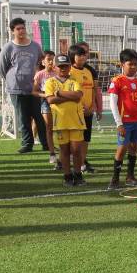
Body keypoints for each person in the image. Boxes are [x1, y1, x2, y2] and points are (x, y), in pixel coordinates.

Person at [0, 18, 46, 153]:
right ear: (12, 31)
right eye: (18, 29)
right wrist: (12, 80)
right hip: (16, 88)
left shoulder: (35, 46)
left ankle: (46, 143)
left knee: (38, 116)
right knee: (23, 117)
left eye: (23, 28)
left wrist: (37, 80)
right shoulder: (8, 47)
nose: (21, 31)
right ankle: (27, 144)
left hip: (34, 88)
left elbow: (40, 63)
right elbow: (2, 68)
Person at [44, 54, 87, 187]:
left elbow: (78, 96)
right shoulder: (50, 82)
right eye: (60, 66)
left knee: (76, 150)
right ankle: (67, 176)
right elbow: (50, 99)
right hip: (60, 122)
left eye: (66, 66)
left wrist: (59, 93)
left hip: (76, 121)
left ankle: (78, 174)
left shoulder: (74, 81)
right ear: (55, 67)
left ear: (69, 67)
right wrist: (70, 96)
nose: (63, 69)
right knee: (64, 151)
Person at [107, 49, 137, 189]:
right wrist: (119, 123)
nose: (134, 67)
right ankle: (115, 179)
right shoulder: (117, 81)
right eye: (130, 64)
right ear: (122, 64)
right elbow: (112, 103)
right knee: (122, 148)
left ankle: (130, 177)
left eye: (136, 64)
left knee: (134, 148)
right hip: (125, 123)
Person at [67, 43, 101, 173]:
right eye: (79, 55)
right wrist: (80, 107)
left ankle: (82, 164)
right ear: (72, 56)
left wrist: (93, 106)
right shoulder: (70, 71)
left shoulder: (89, 71)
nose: (83, 57)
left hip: (88, 111)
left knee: (86, 139)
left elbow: (92, 90)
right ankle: (69, 163)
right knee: (76, 139)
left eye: (84, 55)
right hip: (75, 112)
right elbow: (70, 92)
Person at [33, 50, 59, 167]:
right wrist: (46, 95)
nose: (51, 62)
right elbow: (34, 91)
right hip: (46, 101)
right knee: (49, 128)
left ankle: (65, 151)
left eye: (53, 59)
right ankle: (52, 153)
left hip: (58, 101)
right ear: (43, 62)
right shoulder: (40, 74)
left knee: (61, 126)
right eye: (49, 59)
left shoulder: (58, 72)